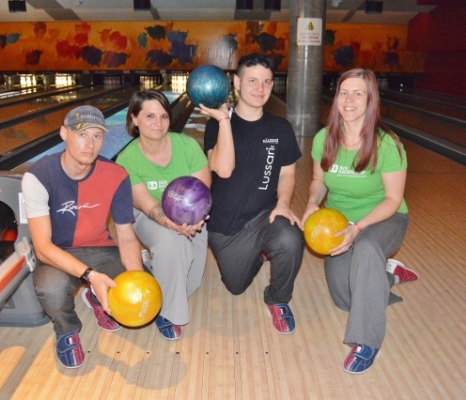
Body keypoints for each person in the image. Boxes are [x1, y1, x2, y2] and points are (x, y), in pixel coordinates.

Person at [300, 68, 419, 374]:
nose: (349, 100)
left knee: (366, 248)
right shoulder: (324, 139)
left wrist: (358, 228)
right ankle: (388, 274)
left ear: (370, 100)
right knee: (345, 299)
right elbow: (318, 182)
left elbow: (392, 200)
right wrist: (312, 203)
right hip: (341, 220)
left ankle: (367, 341)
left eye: (358, 93)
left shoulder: (387, 144)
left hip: (384, 218)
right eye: (344, 93)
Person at [21, 105, 144, 369]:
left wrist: (136, 279)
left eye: (97, 136)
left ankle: (95, 297)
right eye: (82, 134)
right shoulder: (38, 176)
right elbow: (42, 248)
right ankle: (66, 330)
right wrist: (91, 276)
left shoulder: (116, 174)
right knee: (51, 289)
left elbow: (126, 236)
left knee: (143, 277)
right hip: (58, 254)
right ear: (64, 133)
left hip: (100, 250)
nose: (90, 144)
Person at [201, 53, 305, 335]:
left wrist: (283, 203)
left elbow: (287, 173)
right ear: (236, 83)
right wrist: (224, 121)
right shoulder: (216, 124)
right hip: (225, 226)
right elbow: (223, 169)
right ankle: (259, 254)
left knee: (290, 237)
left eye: (267, 82)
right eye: (252, 81)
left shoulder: (280, 128)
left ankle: (278, 299)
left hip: (264, 215)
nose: (260, 89)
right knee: (235, 286)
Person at [116, 89, 210, 341]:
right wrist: (173, 225)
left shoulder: (187, 146)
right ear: (135, 119)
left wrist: (193, 221)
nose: (158, 123)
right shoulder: (127, 159)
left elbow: (202, 191)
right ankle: (166, 312)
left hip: (192, 217)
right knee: (174, 243)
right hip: (148, 216)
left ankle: (154, 267)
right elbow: (149, 206)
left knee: (191, 283)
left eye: (163, 116)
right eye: (149, 116)